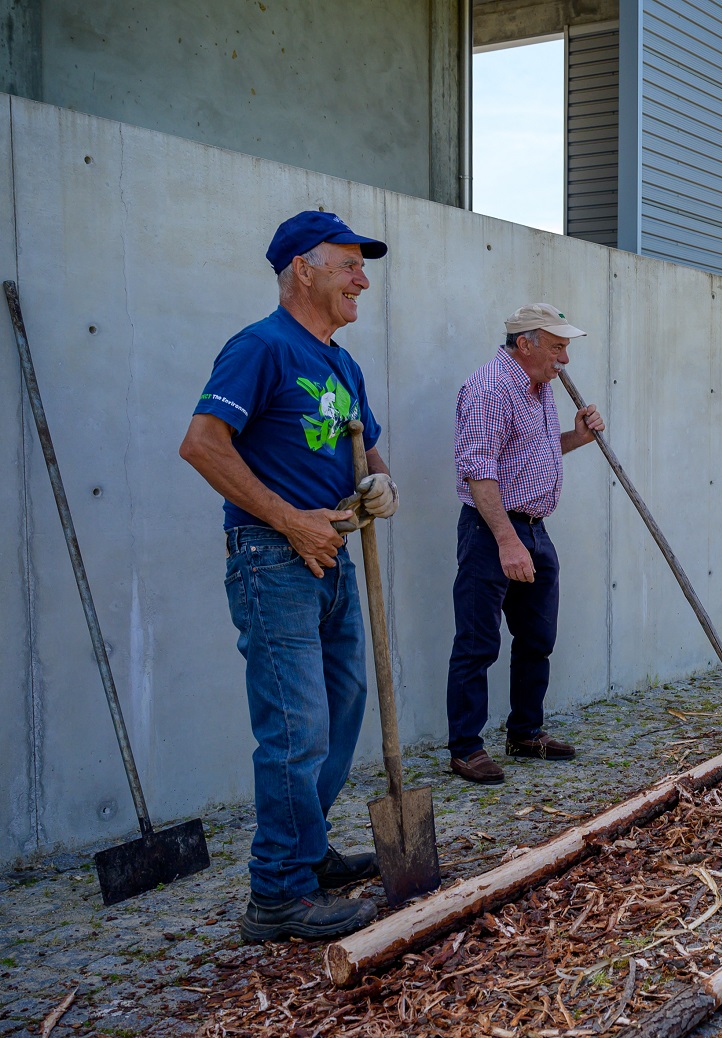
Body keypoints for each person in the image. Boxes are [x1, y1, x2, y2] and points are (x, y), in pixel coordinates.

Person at [179, 211, 397, 942]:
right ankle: (275, 893)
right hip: (274, 560)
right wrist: (286, 519)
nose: (362, 278)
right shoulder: (260, 348)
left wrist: (379, 483)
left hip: (330, 552)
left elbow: (365, 447)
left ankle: (306, 854)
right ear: (303, 269)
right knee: (295, 727)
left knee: (340, 713)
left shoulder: (341, 362)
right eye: (348, 265)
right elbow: (203, 446)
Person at [444, 305, 604, 784]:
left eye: (566, 348)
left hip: (534, 528)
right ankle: (466, 748)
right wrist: (508, 541)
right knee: (477, 642)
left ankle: (525, 732)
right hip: (491, 530)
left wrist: (576, 437)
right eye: (557, 347)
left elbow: (532, 452)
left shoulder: (537, 389)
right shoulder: (490, 388)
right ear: (526, 343)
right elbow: (480, 471)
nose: (565, 359)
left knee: (538, 638)